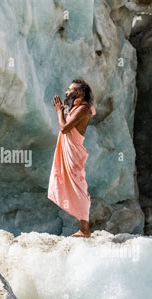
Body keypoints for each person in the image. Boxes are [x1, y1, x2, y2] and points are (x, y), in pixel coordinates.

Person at [48, 79, 96, 237]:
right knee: (78, 185)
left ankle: (84, 228)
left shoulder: (83, 108)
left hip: (74, 152)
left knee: (79, 186)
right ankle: (83, 227)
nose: (66, 92)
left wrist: (59, 111)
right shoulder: (76, 108)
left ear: (80, 93)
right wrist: (63, 110)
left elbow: (64, 128)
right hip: (71, 150)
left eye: (70, 90)